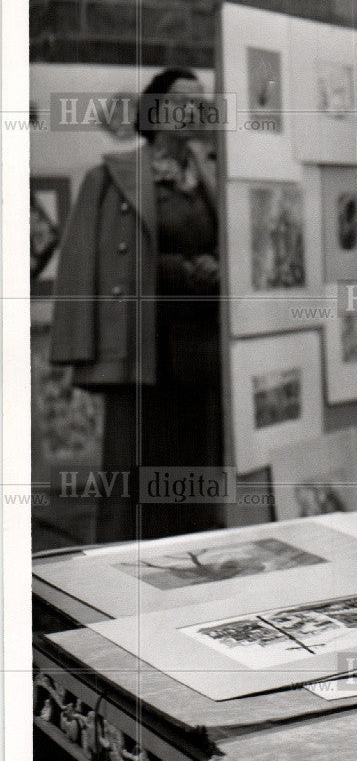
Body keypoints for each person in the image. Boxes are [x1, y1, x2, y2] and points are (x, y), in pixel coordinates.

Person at [50, 68, 225, 542]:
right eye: (182, 100)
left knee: (197, 467)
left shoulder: (215, 175)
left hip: (204, 349)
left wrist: (218, 268)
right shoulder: (112, 177)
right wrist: (177, 270)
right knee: (139, 461)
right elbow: (85, 261)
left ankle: (196, 561)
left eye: (201, 101)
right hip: (145, 345)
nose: (195, 110)